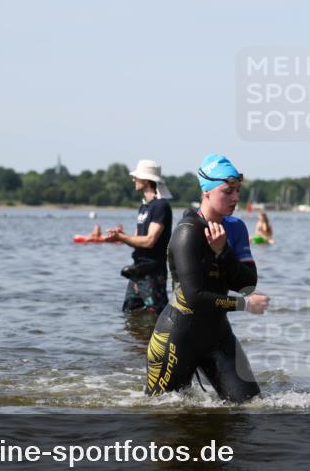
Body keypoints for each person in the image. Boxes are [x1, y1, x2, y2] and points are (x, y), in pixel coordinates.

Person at [145, 154, 270, 402]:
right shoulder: (187, 233)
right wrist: (244, 305)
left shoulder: (235, 228)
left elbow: (247, 284)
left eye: (237, 191)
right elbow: (194, 298)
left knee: (251, 407)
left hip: (218, 336)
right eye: (227, 191)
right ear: (207, 192)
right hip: (178, 337)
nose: (235, 197)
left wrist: (223, 252)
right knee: (164, 416)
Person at [108, 160, 174, 314]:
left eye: (136, 177)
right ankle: (136, 338)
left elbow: (150, 241)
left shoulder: (161, 206)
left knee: (156, 314)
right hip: (138, 270)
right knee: (130, 312)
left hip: (153, 272)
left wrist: (122, 238)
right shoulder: (144, 207)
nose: (133, 180)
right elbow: (138, 240)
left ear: (145, 180)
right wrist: (120, 236)